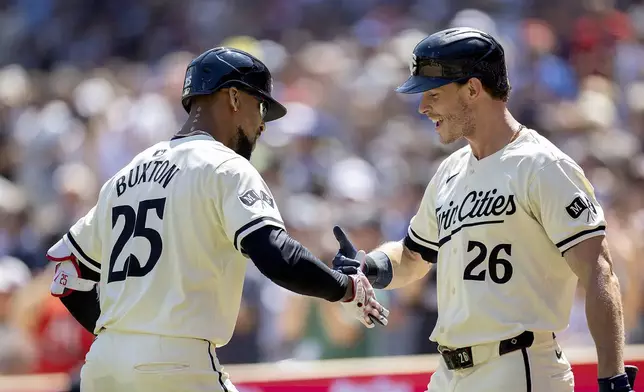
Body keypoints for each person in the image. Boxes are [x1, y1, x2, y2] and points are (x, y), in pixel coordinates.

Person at [45, 47, 388, 392]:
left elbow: (67, 273)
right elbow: (277, 255)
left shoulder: (125, 175)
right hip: (176, 362)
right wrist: (345, 287)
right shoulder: (225, 166)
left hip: (104, 365)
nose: (263, 124)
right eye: (261, 106)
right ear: (235, 97)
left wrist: (122, 338)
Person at [332, 27, 637, 392]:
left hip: (518, 365)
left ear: (473, 89)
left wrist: (613, 377)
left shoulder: (542, 165)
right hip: (449, 372)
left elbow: (598, 270)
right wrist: (370, 265)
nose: (423, 107)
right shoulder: (450, 171)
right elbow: (414, 256)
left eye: (433, 93)